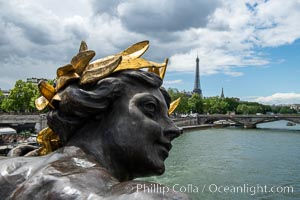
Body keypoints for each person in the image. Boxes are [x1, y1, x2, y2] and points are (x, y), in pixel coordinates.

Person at [0, 68, 190, 199]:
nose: (175, 128)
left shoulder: (8, 167)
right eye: (150, 108)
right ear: (98, 110)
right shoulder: (141, 197)